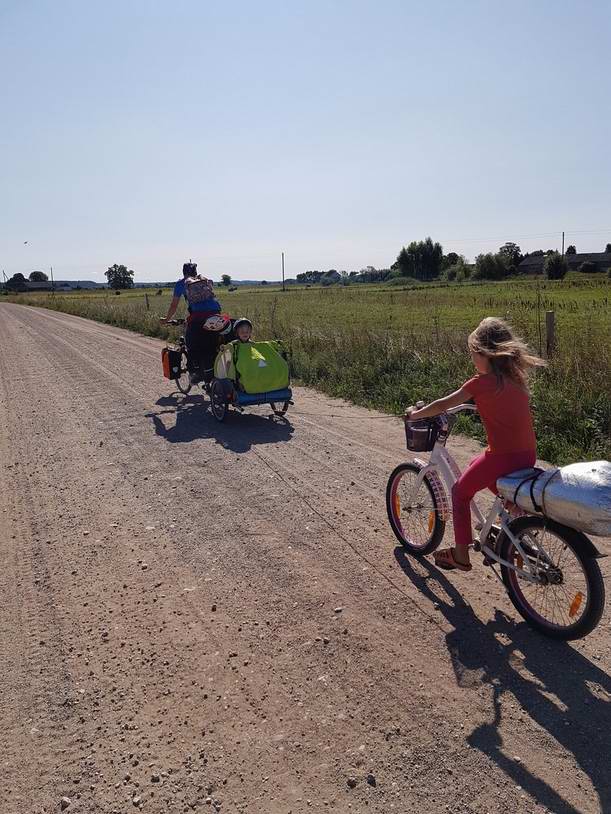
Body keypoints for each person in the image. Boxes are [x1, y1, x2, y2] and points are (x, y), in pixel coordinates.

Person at [405, 317, 545, 572]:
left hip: (501, 458)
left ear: (485, 354)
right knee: (473, 463)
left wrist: (416, 414)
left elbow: (442, 405)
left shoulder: (479, 384)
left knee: (459, 492)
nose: (472, 361)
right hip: (526, 455)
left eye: (473, 355)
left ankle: (461, 555)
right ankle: (513, 511)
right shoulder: (515, 378)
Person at [161, 262, 224, 383]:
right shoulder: (204, 280)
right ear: (196, 271)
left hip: (198, 317)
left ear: (183, 272)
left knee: (191, 344)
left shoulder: (181, 284)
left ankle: (195, 375)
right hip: (216, 315)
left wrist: (166, 319)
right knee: (213, 344)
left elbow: (174, 306)